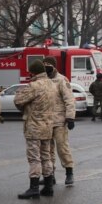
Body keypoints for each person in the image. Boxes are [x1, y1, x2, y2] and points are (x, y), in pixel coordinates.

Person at [14, 60, 55, 199]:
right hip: (48, 126)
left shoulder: (34, 86)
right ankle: (49, 186)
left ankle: (34, 187)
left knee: (34, 158)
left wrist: (25, 107)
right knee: (46, 156)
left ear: (33, 72)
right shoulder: (52, 84)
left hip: (34, 127)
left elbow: (18, 100)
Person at [43, 56, 76, 187]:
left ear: (53, 65)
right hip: (46, 120)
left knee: (62, 147)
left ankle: (69, 172)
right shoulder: (43, 80)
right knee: (47, 150)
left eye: (47, 64)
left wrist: (70, 117)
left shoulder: (61, 80)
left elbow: (69, 99)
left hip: (59, 120)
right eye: (43, 64)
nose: (45, 66)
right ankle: (50, 175)